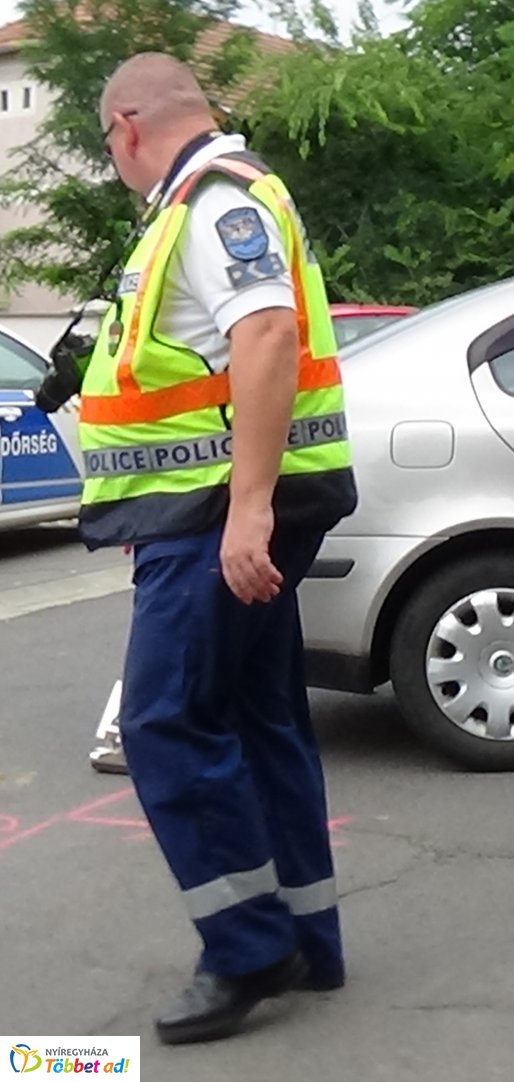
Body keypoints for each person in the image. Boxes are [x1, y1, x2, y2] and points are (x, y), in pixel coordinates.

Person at [48, 52, 358, 1044]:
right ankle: (306, 933)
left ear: (128, 126)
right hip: (213, 508)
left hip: (214, 514)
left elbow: (265, 337)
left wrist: (247, 510)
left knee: (166, 722)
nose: (114, 161)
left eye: (108, 144)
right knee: (259, 716)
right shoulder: (209, 200)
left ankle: (245, 942)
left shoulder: (214, 202)